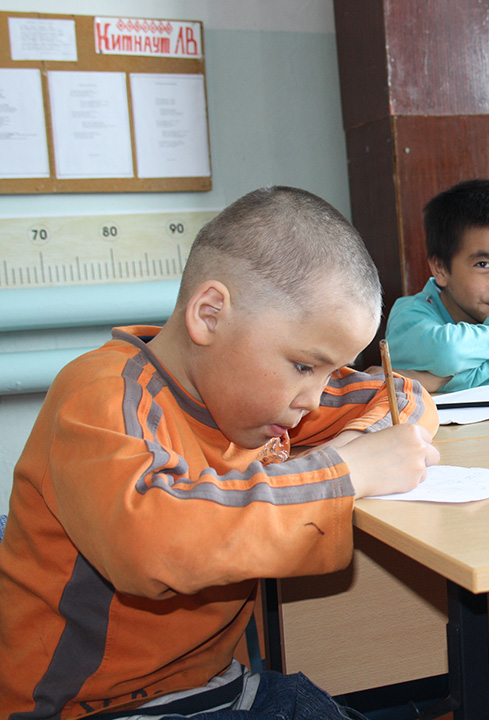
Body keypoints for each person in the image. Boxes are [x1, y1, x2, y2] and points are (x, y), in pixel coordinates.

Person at [0, 187, 440, 719]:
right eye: (304, 366)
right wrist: (344, 474)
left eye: (329, 372)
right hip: (91, 708)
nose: (313, 399)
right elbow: (156, 544)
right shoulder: (100, 394)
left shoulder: (255, 407)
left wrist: (355, 451)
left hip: (219, 687)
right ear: (210, 315)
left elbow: (403, 398)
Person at [384, 179, 489, 393]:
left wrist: (434, 382)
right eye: (484, 264)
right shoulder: (407, 315)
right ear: (441, 268)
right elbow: (447, 352)